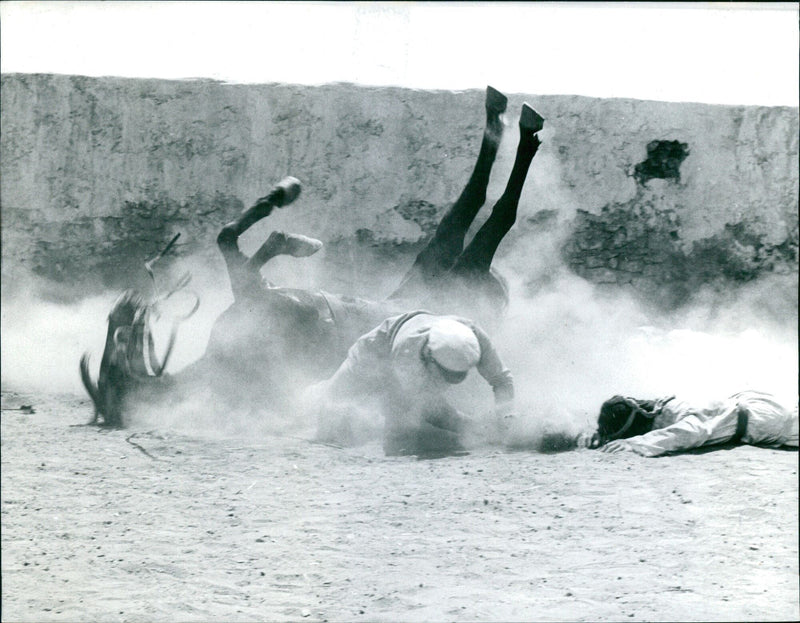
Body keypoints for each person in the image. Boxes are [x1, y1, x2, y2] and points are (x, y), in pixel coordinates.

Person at [388, 86, 544, 319]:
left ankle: (501, 130)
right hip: (411, 313)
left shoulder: (442, 293)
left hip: (402, 310)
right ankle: (514, 138)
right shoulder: (458, 298)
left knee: (455, 230)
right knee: (466, 245)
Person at [305, 310, 515, 456]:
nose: (455, 380)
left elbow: (502, 379)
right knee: (330, 405)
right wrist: (476, 428)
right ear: (431, 358)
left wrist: (505, 418)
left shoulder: (472, 335)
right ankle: (301, 400)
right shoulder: (408, 354)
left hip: (410, 363)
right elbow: (434, 411)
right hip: (374, 353)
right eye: (449, 375)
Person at [585, 390, 798, 457]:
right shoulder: (666, 407)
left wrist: (635, 443)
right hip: (756, 405)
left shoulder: (687, 419)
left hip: (767, 419)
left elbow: (684, 434)